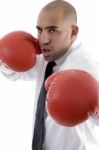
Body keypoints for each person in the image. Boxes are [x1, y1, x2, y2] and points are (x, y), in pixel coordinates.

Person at [0, 0, 99, 150]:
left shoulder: (87, 67)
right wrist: (6, 58)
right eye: (40, 30)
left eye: (52, 30)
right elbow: (16, 74)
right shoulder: (47, 55)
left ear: (73, 32)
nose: (44, 40)